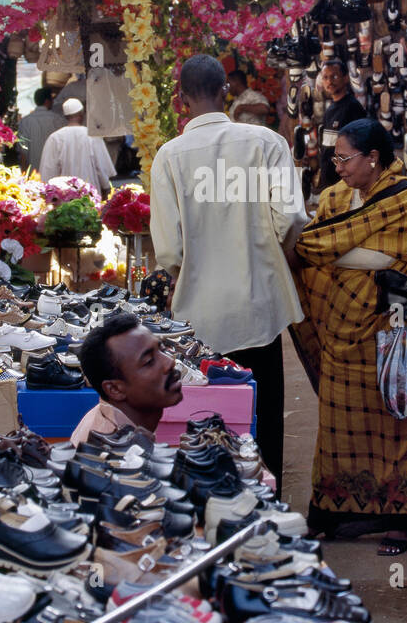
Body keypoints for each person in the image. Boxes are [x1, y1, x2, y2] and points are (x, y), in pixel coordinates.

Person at [289, 118, 407, 555]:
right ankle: (335, 511)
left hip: (396, 331)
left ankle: (401, 519)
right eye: (336, 158)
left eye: (345, 158)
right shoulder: (333, 199)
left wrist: (405, 290)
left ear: (373, 158)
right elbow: (312, 250)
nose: (338, 166)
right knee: (340, 424)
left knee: (402, 420)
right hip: (342, 334)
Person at [149, 54, 307, 487]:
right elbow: (290, 219)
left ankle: (213, 498)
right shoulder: (267, 143)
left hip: (198, 314)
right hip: (259, 304)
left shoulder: (169, 157)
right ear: (226, 92)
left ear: (181, 100)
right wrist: (283, 254)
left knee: (206, 412)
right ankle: (266, 497)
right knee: (263, 408)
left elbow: (168, 248)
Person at [71, 312, 184, 445]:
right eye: (149, 361)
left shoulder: (126, 431)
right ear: (114, 389)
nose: (170, 362)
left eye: (163, 349)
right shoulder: (110, 453)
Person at [39, 97, 117, 196]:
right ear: (81, 114)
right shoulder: (92, 135)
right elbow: (102, 168)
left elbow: (48, 171)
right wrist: (106, 188)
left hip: (64, 198)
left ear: (66, 116)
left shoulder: (55, 138)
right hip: (90, 195)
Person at [316, 59, 366, 191]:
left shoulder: (353, 107)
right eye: (325, 77)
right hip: (329, 181)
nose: (329, 81)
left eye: (334, 76)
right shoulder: (330, 109)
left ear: (345, 78)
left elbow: (359, 149)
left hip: (345, 183)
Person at [17, 86, 65, 173]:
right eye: (51, 100)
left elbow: (23, 151)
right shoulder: (58, 120)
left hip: (33, 174)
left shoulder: (25, 121)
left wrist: (23, 175)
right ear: (47, 101)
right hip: (54, 172)